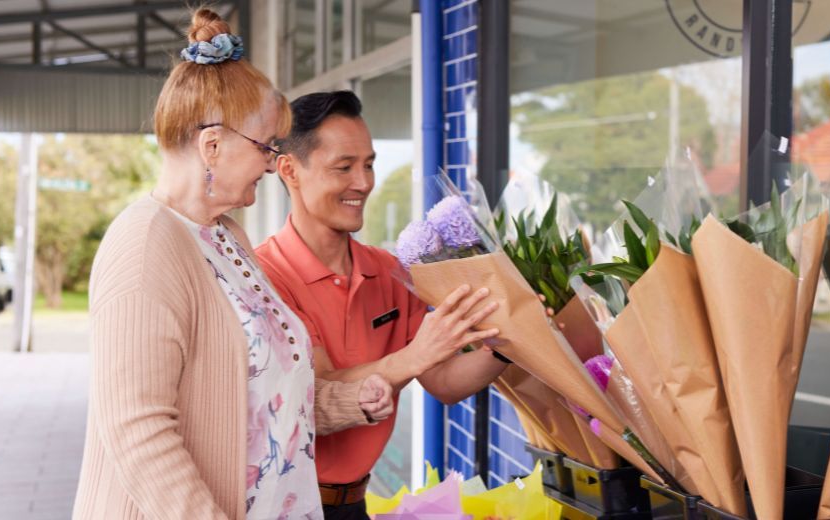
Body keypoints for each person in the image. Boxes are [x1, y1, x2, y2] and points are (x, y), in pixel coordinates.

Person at [72, 11, 398, 520]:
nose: (273, 165)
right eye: (267, 147)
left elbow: (261, 396)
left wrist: (352, 401)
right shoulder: (144, 245)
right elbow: (138, 433)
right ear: (213, 145)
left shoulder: (227, 237)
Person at [255, 91, 508, 519]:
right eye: (344, 167)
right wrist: (413, 356)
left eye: (368, 164)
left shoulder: (389, 270)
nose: (364, 182)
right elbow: (316, 390)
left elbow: (444, 382)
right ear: (289, 170)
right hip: (284, 504)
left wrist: (509, 342)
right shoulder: (265, 277)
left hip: (354, 504)